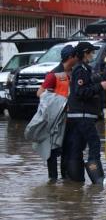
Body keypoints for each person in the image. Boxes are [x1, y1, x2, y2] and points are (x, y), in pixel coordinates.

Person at [65, 42, 106, 184]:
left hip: (79, 116)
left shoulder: (83, 69)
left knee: (76, 146)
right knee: (95, 143)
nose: (92, 55)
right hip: (82, 116)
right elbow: (80, 92)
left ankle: (75, 181)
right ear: (85, 53)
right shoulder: (80, 70)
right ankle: (98, 178)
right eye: (91, 53)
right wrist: (99, 87)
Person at [35, 45, 77, 181]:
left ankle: (66, 179)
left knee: (68, 148)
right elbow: (40, 93)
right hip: (57, 119)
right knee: (53, 150)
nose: (78, 59)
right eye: (76, 56)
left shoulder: (75, 72)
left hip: (71, 118)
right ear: (71, 57)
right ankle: (52, 180)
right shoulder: (53, 74)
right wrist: (59, 103)